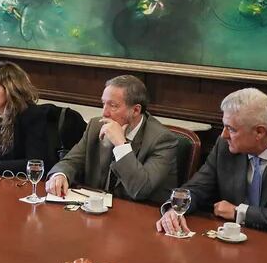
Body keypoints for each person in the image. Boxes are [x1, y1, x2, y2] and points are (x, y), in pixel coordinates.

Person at [156, 88, 267, 238]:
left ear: (259, 132)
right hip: (231, 243)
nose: (223, 135)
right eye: (224, 127)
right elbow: (197, 188)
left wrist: (240, 212)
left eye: (232, 129)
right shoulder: (225, 147)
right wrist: (174, 210)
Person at [45, 74, 177, 203]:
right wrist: (60, 175)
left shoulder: (162, 140)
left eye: (113, 106)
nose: (104, 113)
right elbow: (71, 161)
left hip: (140, 216)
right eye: (103, 103)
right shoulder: (96, 126)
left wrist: (121, 144)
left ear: (136, 110)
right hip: (97, 211)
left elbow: (141, 190)